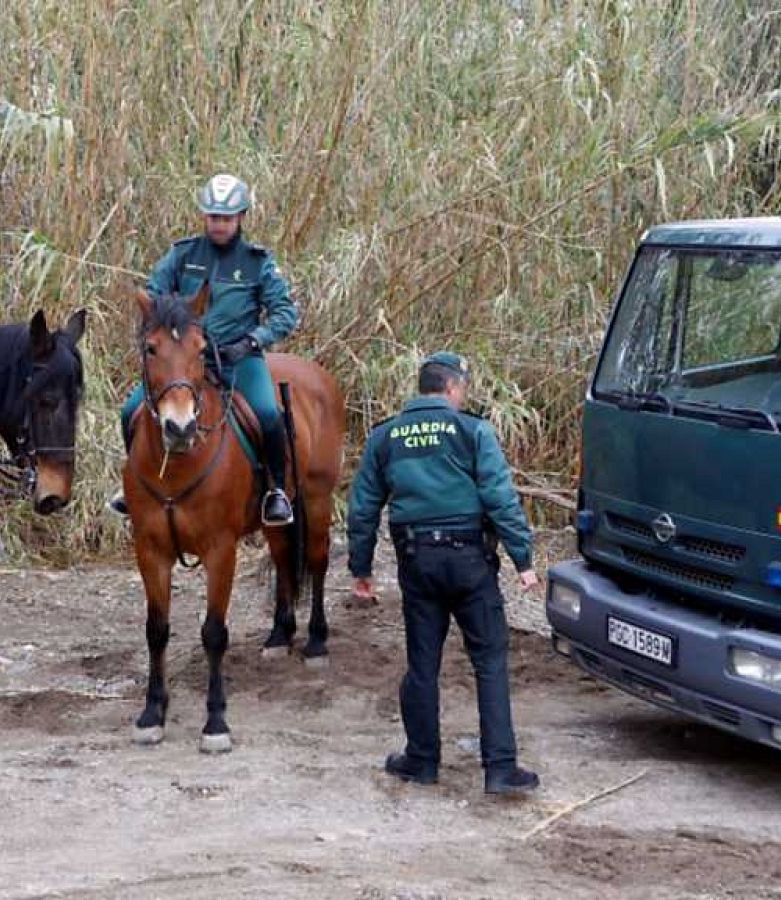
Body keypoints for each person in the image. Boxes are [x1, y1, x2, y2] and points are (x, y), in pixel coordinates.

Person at [347, 351, 542, 795]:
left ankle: (421, 761)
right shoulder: (472, 430)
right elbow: (500, 498)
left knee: (423, 665)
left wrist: (361, 568)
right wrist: (523, 559)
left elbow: (361, 510)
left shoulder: (386, 436)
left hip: (418, 562)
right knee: (489, 662)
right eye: (463, 388)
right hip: (471, 561)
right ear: (453, 388)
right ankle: (500, 769)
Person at [109, 173, 299, 526]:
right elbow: (154, 293)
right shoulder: (183, 254)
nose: (219, 225)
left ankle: (275, 491)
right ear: (204, 217)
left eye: (226, 218)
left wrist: (252, 341)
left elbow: (285, 311)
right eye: (213, 217)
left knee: (268, 415)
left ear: (241, 217)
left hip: (237, 359)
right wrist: (172, 323)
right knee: (130, 410)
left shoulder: (258, 262)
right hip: (182, 359)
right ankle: (133, 482)